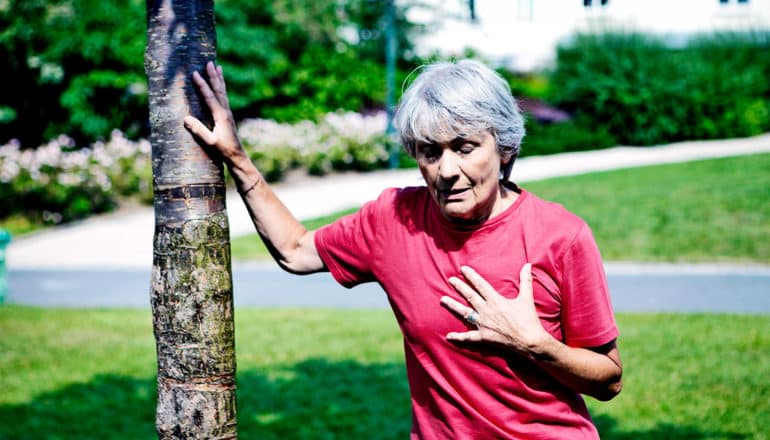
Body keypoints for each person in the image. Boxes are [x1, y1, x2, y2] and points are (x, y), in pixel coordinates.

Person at [185, 59, 622, 439]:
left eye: (465, 147)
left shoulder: (561, 236)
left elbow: (608, 379)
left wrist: (534, 345)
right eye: (430, 152)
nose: (448, 170)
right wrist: (236, 157)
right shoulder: (394, 219)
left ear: (504, 146)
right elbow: (295, 250)